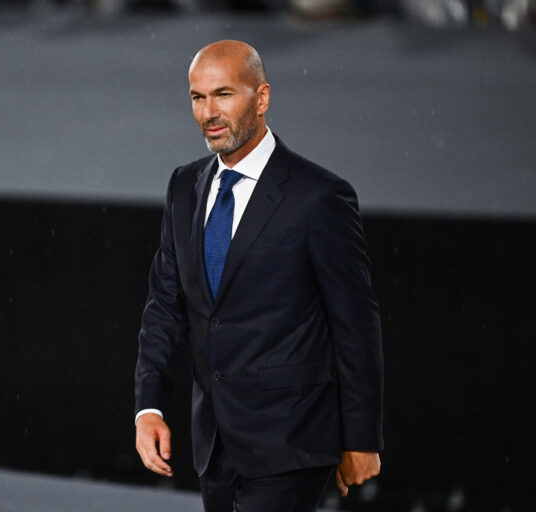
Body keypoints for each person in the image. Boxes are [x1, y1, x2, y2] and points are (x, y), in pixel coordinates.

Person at [133, 40, 383, 512]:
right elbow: (165, 307)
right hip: (214, 446)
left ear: (262, 98)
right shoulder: (184, 186)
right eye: (197, 97)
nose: (209, 111)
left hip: (291, 442)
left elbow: (355, 325)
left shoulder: (319, 197)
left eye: (223, 94)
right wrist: (149, 406)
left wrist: (361, 437)